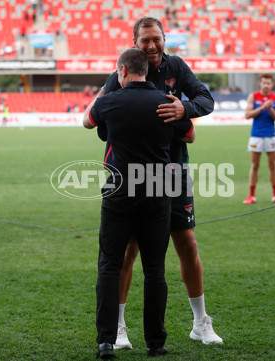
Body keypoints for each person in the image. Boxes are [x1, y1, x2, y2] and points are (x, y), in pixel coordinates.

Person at [95, 16, 221, 349]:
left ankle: (200, 322)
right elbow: (103, 122)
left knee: (187, 244)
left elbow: (207, 100)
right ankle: (120, 328)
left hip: (173, 173)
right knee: (127, 253)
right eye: (145, 40)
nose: (151, 46)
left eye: (156, 39)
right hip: (132, 178)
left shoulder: (177, 67)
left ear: (165, 39)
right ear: (134, 42)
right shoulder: (120, 74)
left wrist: (185, 109)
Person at [84, 48, 196, 359]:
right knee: (155, 270)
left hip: (120, 191)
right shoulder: (166, 101)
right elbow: (190, 137)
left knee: (109, 266)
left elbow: (86, 122)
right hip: (158, 191)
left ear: (122, 71)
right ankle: (155, 343)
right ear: (146, 70)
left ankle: (107, 341)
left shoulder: (109, 100)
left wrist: (104, 93)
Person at [242, 73, 275, 204]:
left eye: (268, 83)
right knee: (255, 165)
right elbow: (247, 115)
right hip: (256, 135)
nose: (266, 85)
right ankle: (251, 195)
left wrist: (270, 108)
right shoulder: (253, 96)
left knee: (273, 165)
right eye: (264, 83)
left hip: (271, 135)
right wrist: (261, 108)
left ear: (272, 84)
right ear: (259, 84)